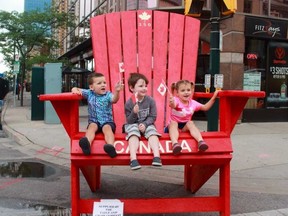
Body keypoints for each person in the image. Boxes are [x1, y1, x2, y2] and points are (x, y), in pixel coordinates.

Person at [71, 72, 123, 157]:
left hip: (107, 121)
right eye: (99, 83)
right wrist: (74, 89)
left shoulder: (108, 95)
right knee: (91, 127)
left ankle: (110, 146)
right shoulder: (89, 93)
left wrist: (117, 91)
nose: (103, 85)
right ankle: (87, 144)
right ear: (91, 87)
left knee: (107, 129)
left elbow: (114, 100)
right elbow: (76, 89)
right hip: (94, 121)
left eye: (104, 83)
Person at [165, 80, 220, 155]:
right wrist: (171, 102)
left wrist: (214, 97)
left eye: (188, 90)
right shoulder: (176, 100)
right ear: (177, 93)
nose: (186, 92)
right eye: (183, 90)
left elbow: (205, 107)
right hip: (171, 128)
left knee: (190, 123)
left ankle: (201, 142)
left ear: (191, 91)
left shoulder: (193, 103)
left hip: (184, 127)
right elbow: (173, 105)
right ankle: (175, 144)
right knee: (173, 123)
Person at [124, 73, 162, 170]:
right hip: (133, 124)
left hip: (147, 123)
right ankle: (133, 159)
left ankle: (157, 157)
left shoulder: (150, 101)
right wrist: (133, 112)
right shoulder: (129, 103)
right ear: (132, 88)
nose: (144, 88)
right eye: (141, 86)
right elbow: (129, 120)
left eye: (145, 86)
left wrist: (145, 124)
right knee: (133, 134)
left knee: (153, 133)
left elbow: (153, 116)